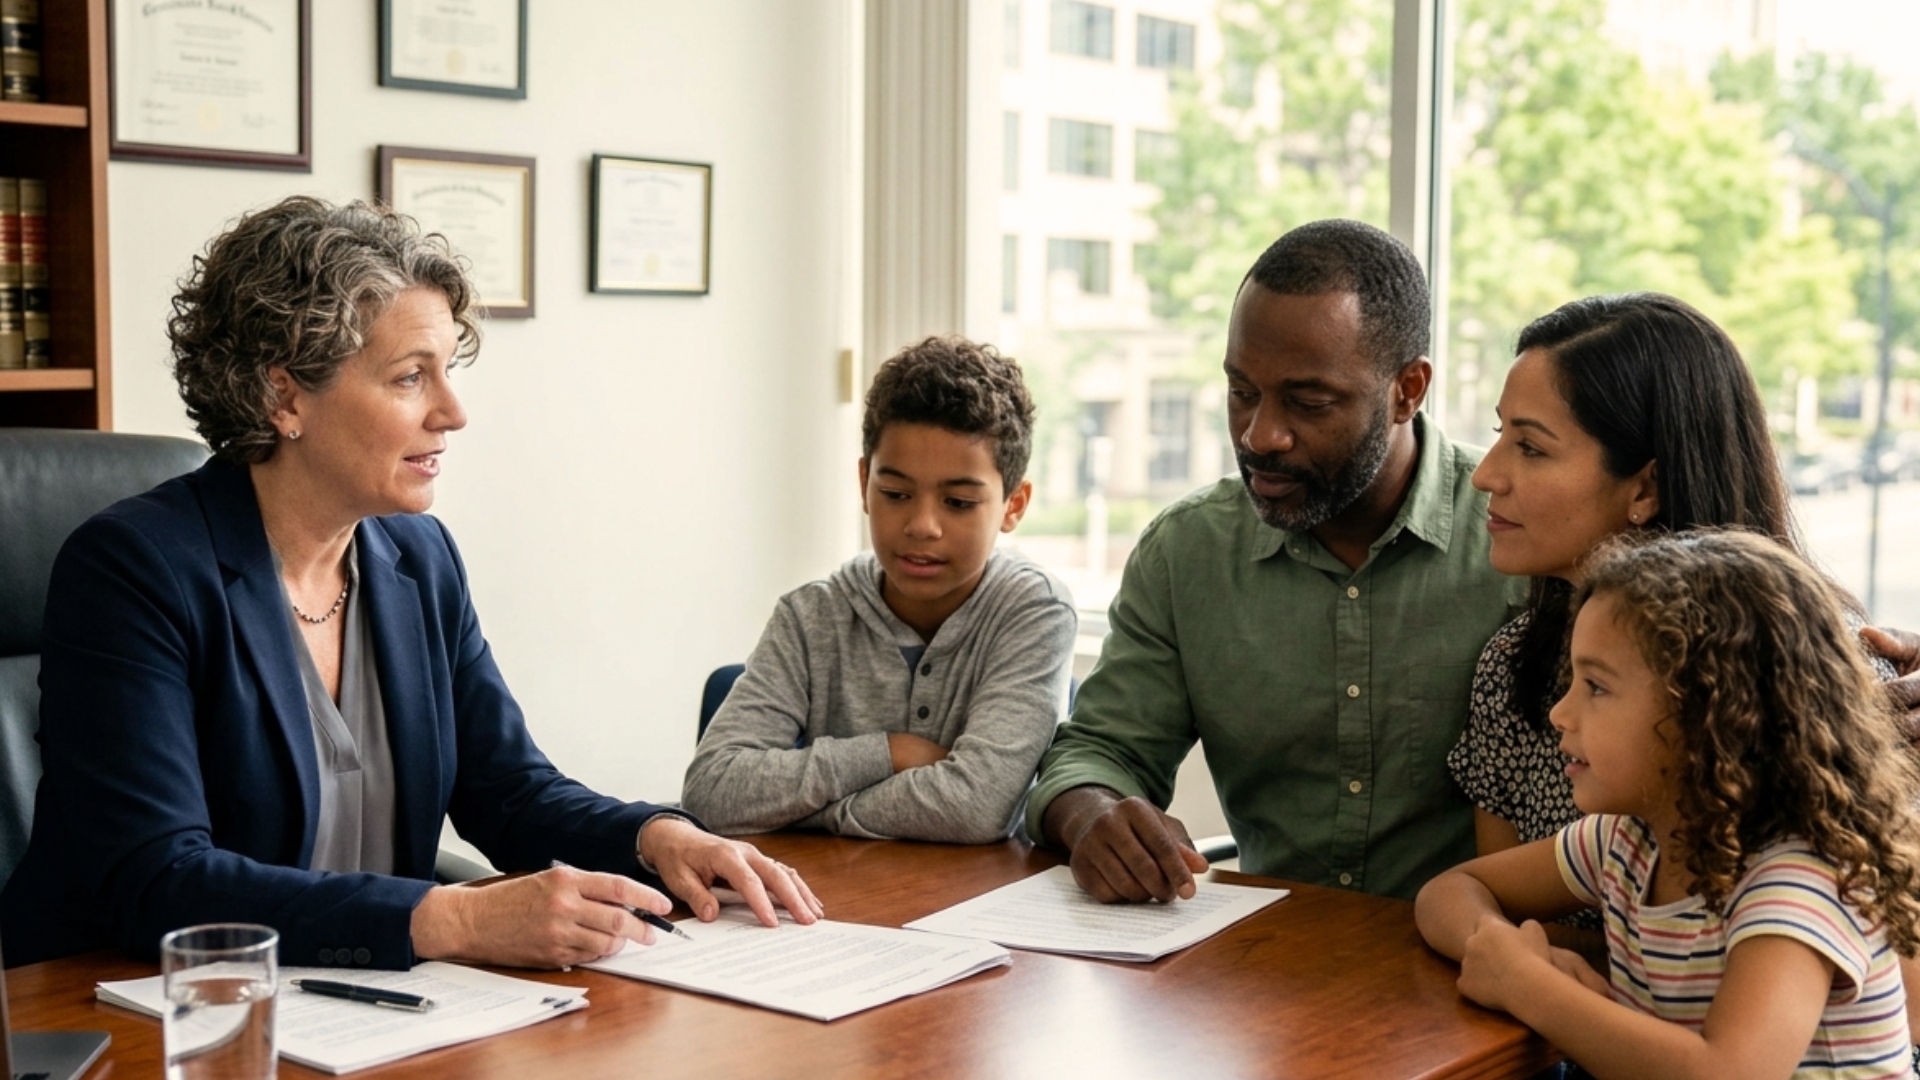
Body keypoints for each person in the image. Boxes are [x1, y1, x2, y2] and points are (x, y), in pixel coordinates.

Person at [0, 196, 820, 971]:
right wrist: (453, 918)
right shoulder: (132, 569)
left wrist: (660, 837)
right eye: (408, 377)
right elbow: (160, 881)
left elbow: (510, 791)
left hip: (361, 1009)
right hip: (130, 1008)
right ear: (281, 392)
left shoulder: (417, 559)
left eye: (447, 371)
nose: (452, 412)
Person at [1027, 219, 1528, 904]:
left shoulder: (1522, 539)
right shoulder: (1187, 553)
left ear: (1407, 390)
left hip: (1477, 963)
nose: (1261, 434)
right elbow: (1100, 752)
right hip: (1264, 964)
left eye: (1308, 401)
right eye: (1241, 392)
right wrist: (1093, 814)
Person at [1415, 530, 1920, 1080]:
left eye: (1596, 687)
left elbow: (1728, 1072)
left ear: (1710, 716)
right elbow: (1449, 891)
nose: (1561, 712)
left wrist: (1528, 986)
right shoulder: (1625, 842)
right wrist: (1503, 950)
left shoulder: (1798, 877)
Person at [1448, 293, 1895, 860]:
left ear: (1646, 488)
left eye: (1530, 447)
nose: (1485, 475)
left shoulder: (1820, 671)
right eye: (1500, 435)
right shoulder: (1513, 667)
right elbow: (1492, 904)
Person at [681, 336, 1076, 843]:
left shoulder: (1034, 612)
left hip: (980, 904)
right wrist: (890, 752)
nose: (922, 525)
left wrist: (813, 814)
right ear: (864, 483)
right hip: (831, 907)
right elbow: (712, 792)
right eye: (895, 494)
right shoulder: (810, 616)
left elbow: (976, 809)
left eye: (958, 502)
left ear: (1013, 505)